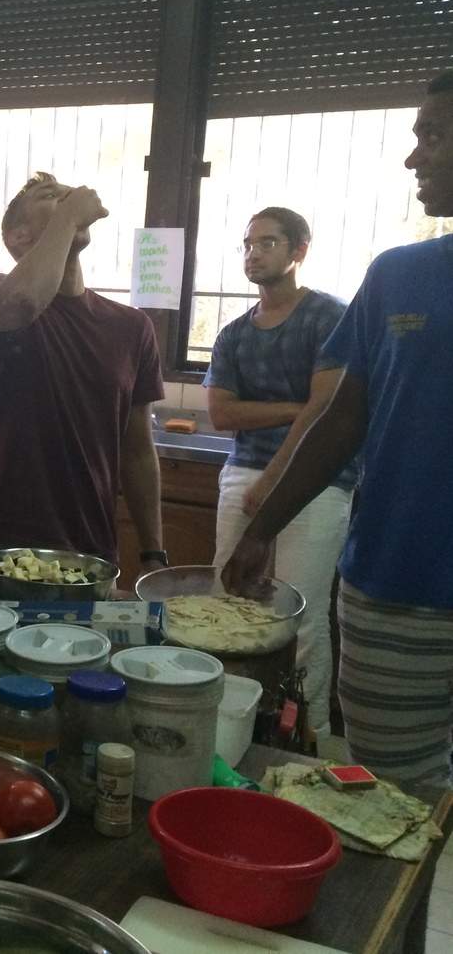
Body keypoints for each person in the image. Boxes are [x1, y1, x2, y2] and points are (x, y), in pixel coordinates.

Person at [224, 70, 453, 789]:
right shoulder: (398, 277)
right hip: (399, 585)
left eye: (434, 136)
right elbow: (340, 417)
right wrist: (262, 528)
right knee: (392, 796)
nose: (414, 157)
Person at [0, 173, 167, 575]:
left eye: (66, 195)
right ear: (18, 238)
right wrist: (70, 215)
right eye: (49, 197)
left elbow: (139, 449)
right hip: (4, 546)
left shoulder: (131, 327)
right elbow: (23, 301)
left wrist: (152, 552)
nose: (66, 198)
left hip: (93, 552)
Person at [205, 207, 356, 741]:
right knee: (228, 600)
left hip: (318, 483)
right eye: (248, 243)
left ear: (299, 251)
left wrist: (274, 476)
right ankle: (224, 721)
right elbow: (222, 414)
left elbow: (330, 409)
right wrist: (297, 406)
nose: (254, 252)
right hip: (240, 473)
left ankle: (308, 736)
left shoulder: (329, 317)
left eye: (268, 242)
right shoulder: (232, 334)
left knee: (303, 613)